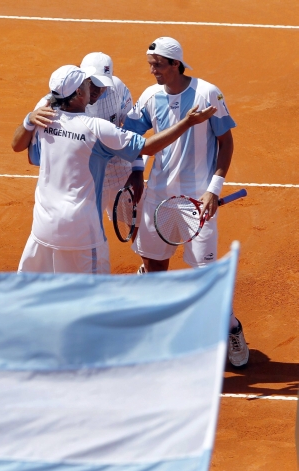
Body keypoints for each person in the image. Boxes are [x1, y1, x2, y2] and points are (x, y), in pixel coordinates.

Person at [11, 64, 216, 275]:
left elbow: (22, 150)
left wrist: (28, 119)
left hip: (42, 228)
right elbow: (148, 147)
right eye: (87, 83)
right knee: (92, 298)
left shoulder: (44, 120)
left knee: (33, 290)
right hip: (81, 233)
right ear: (80, 93)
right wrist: (187, 122)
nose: (93, 87)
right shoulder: (96, 128)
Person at [122, 37, 249, 367]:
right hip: (158, 195)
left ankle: (232, 327)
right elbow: (136, 142)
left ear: (176, 64)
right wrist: (137, 174)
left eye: (158, 65)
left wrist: (213, 189)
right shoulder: (150, 96)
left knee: (206, 276)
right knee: (154, 270)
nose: (153, 71)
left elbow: (226, 143)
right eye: (151, 65)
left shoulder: (208, 93)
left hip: (197, 200)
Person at [15, 52, 145, 216]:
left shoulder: (118, 88)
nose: (98, 90)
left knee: (136, 219)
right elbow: (26, 151)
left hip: (118, 166)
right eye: (93, 84)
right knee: (88, 226)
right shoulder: (52, 103)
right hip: (84, 176)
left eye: (103, 84)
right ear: (82, 80)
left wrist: (137, 168)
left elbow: (130, 131)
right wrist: (29, 119)